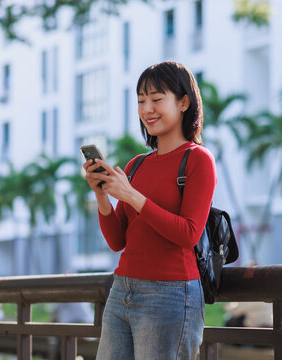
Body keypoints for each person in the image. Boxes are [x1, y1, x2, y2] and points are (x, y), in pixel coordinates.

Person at [83, 61, 216, 360]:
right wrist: (102, 195)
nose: (147, 109)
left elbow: (188, 234)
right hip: (122, 290)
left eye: (156, 99)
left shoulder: (198, 160)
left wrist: (133, 196)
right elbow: (118, 241)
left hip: (170, 294)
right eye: (141, 101)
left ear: (184, 102)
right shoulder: (136, 165)